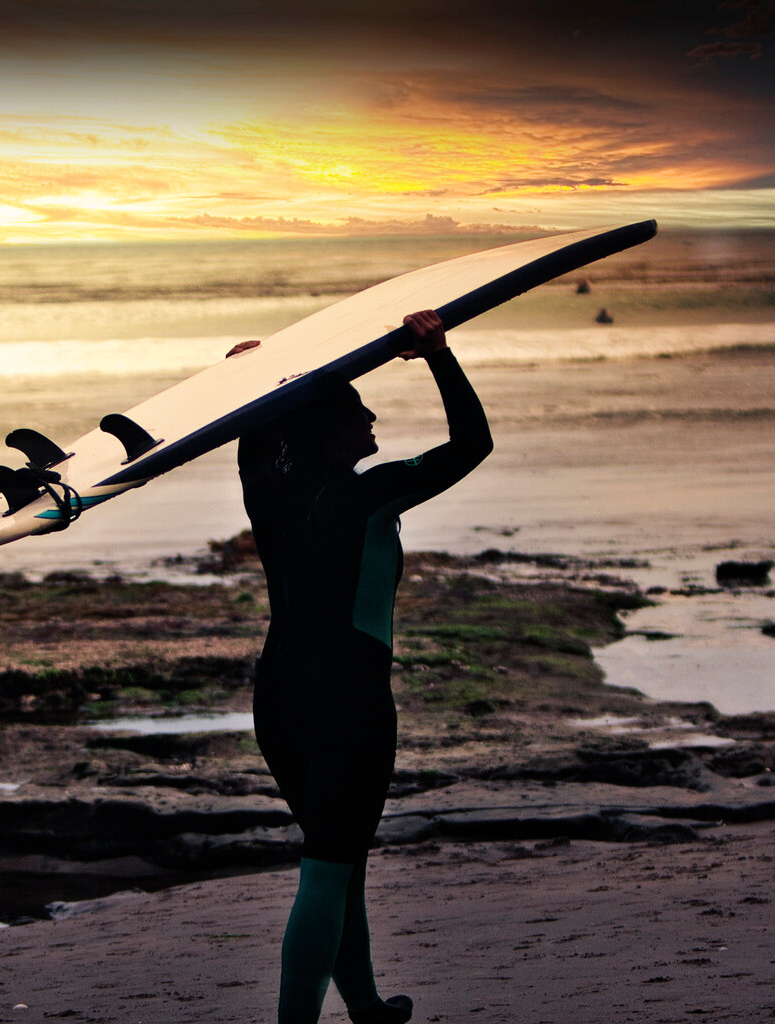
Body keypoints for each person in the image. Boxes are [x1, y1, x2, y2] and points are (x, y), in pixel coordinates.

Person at [232, 309, 493, 1024]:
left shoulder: (265, 489)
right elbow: (473, 443)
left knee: (339, 856)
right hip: (348, 699)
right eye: (355, 409)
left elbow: (251, 432)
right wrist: (438, 355)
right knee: (329, 864)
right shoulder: (370, 493)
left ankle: (367, 1004)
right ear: (330, 430)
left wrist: (253, 376)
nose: (372, 415)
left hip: (278, 693)